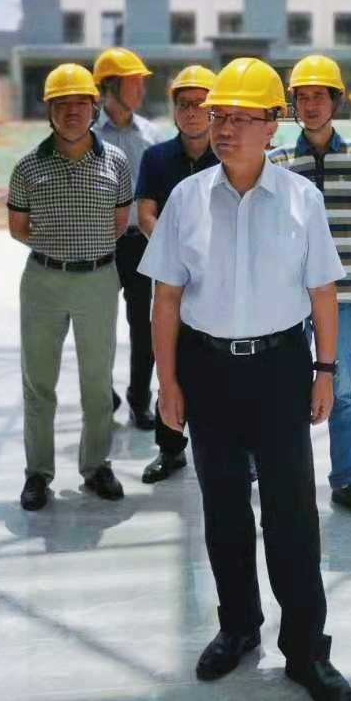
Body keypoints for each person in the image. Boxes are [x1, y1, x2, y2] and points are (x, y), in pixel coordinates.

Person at [140, 57, 351, 701]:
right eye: (218, 117)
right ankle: (238, 627)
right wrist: (169, 383)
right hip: (207, 370)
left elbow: (323, 291)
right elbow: (166, 299)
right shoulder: (186, 199)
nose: (224, 128)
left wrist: (325, 371)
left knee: (293, 515)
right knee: (224, 508)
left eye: (240, 117)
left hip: (279, 369)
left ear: (272, 126)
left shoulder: (300, 200)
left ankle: (306, 649)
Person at [8, 64, 132, 510]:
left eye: (81, 102)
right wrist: (58, 250)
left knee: (97, 382)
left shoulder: (115, 162)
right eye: (62, 103)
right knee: (38, 382)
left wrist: (85, 250)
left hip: (98, 280)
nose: (72, 111)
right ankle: (37, 472)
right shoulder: (27, 167)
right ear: (49, 111)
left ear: (95, 108)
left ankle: (96, 466)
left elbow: (120, 223)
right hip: (43, 282)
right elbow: (17, 227)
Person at [270, 55, 351, 520]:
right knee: (283, 388)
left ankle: (346, 480)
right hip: (291, 298)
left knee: (343, 389)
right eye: (302, 97)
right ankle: (282, 475)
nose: (311, 104)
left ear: (336, 101)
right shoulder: (279, 160)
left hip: (346, 295)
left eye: (319, 95)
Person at [134, 65, 220, 483]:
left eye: (200, 104)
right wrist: (176, 253)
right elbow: (145, 214)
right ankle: (170, 449)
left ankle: (238, 451)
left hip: (219, 280)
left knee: (222, 364)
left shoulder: (228, 157)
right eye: (183, 104)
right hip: (171, 279)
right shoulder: (156, 158)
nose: (191, 112)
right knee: (167, 360)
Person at [92, 46, 167, 428]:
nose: (141, 89)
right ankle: (101, 393)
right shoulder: (87, 136)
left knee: (144, 326)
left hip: (140, 242)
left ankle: (140, 398)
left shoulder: (152, 136)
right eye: (134, 82)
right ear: (110, 86)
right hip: (100, 244)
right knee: (98, 327)